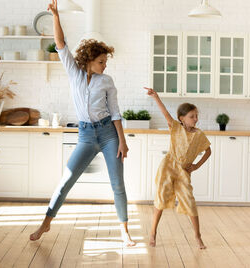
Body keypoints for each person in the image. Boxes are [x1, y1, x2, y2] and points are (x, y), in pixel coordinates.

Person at [29, 0, 136, 247]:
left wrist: (122, 141)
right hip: (86, 136)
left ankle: (124, 231)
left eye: (105, 61)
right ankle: (46, 222)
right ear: (89, 60)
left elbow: (116, 113)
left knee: (117, 183)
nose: (105, 65)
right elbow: (61, 45)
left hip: (109, 134)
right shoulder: (74, 73)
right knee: (66, 179)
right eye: (101, 61)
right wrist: (55, 15)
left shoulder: (107, 81)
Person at [144, 87, 212, 249]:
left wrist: (196, 166)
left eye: (196, 116)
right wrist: (156, 97)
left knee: (189, 201)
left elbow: (208, 151)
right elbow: (165, 113)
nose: (195, 119)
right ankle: (153, 233)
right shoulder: (175, 128)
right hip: (168, 168)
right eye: (192, 116)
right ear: (182, 118)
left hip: (183, 172)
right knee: (160, 199)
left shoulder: (199, 135)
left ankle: (198, 236)